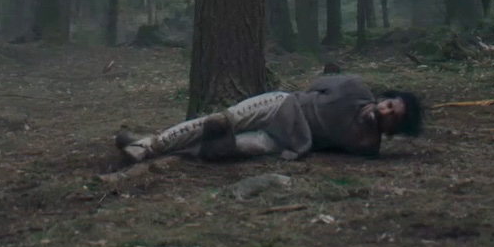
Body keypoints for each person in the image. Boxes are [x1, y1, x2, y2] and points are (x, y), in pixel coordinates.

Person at [115, 75, 424, 164]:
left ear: (394, 130)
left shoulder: (367, 146)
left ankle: (214, 146)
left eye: (393, 117)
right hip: (281, 106)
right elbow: (316, 85)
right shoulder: (353, 88)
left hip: (287, 140)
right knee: (223, 119)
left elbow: (337, 150)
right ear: (383, 98)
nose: (385, 112)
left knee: (231, 147)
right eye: (389, 105)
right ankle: (147, 146)